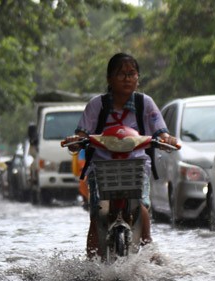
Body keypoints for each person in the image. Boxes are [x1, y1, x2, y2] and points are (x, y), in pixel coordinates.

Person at [65, 52, 179, 259]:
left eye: (132, 73)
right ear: (109, 78)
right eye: (121, 74)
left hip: (136, 166)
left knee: (141, 206)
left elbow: (161, 131)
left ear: (138, 78)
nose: (127, 78)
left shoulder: (145, 103)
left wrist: (167, 139)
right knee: (97, 215)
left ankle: (148, 250)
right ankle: (91, 263)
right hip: (102, 167)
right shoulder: (96, 105)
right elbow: (82, 134)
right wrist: (75, 141)